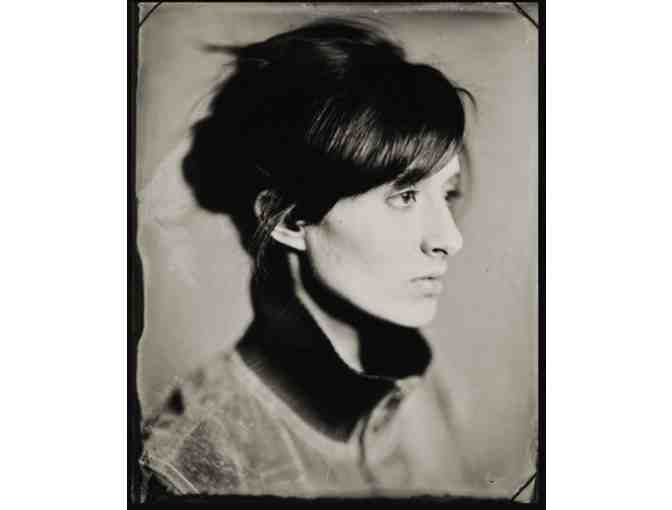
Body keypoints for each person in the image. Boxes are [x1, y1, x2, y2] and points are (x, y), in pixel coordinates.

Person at [139, 18, 533, 500]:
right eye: (405, 196)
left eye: (446, 194)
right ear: (289, 220)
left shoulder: (432, 400)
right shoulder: (194, 466)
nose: (450, 239)